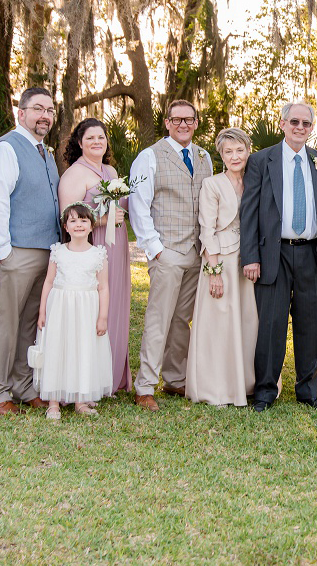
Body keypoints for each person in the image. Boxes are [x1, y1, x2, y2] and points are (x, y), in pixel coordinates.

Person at [240, 102, 317, 412]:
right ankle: (266, 392)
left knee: (314, 324)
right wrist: (251, 256)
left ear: (311, 128)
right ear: (282, 123)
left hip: (313, 254)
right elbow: (249, 212)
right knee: (271, 323)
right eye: (294, 121)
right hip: (274, 254)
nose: (300, 127)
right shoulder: (261, 160)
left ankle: (309, 391)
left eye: (306, 123)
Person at [0, 87, 61, 415]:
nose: (45, 115)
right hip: (15, 252)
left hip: (45, 251)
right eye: (38, 108)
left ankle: (23, 385)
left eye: (51, 110)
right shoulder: (7, 148)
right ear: (21, 113)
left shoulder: (46, 152)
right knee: (4, 323)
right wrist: (3, 253)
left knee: (30, 322)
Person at [128, 100, 213, 411]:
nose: (183, 125)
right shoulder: (149, 157)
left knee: (181, 319)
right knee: (158, 319)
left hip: (195, 253)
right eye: (177, 119)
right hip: (167, 251)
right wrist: (155, 249)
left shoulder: (204, 157)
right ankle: (145, 386)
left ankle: (175, 378)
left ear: (195, 123)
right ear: (166, 122)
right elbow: (139, 206)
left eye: (188, 120)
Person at [58, 118, 132, 395]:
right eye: (90, 138)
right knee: (95, 305)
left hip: (117, 246)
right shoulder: (74, 175)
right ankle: (88, 378)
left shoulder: (110, 171)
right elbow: (67, 216)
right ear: (79, 143)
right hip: (92, 246)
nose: (97, 142)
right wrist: (102, 221)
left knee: (115, 303)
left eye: (101, 137)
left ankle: (111, 374)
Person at [185, 128, 259, 406]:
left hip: (249, 259)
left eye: (239, 150)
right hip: (221, 262)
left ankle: (247, 383)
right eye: (228, 151)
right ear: (221, 155)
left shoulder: (255, 181)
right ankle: (217, 388)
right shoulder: (212, 184)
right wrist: (213, 272)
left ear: (248, 151)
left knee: (248, 321)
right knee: (220, 323)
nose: (235, 156)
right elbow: (207, 229)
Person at [31, 203, 113, 420]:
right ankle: (54, 402)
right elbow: (48, 282)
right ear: (65, 227)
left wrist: (102, 316)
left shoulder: (98, 254)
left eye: (83, 220)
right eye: (73, 220)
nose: (78, 225)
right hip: (60, 308)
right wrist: (42, 312)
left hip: (87, 310)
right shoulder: (58, 252)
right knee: (58, 348)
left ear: (92, 225)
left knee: (82, 349)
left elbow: (103, 287)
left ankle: (80, 399)